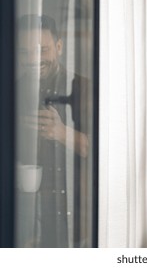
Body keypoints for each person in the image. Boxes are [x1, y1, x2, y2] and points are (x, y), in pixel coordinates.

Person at [16, 14, 89, 247]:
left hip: (77, 218)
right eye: (24, 52)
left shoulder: (84, 89)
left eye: (42, 50)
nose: (33, 59)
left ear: (59, 47)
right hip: (26, 219)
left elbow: (105, 151)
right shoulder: (12, 91)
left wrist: (61, 132)